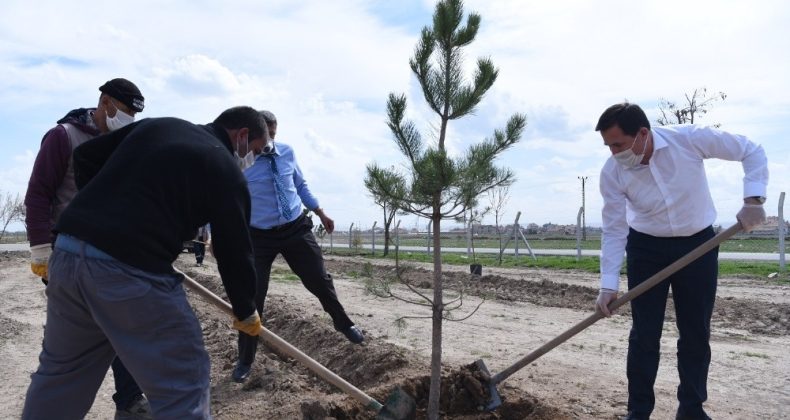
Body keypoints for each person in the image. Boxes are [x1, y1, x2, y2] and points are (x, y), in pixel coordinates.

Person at [22, 106, 267, 420]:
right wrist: (246, 310)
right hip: (128, 272)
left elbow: (85, 157)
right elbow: (235, 251)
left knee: (62, 376)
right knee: (184, 379)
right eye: (256, 151)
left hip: (69, 256)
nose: (252, 160)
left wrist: (101, 213)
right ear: (242, 135)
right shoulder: (225, 169)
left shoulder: (158, 127)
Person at [594, 103, 768, 420]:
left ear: (642, 134)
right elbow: (615, 228)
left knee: (695, 332)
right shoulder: (613, 172)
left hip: (698, 245)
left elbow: (751, 150)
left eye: (618, 144)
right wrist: (608, 284)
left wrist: (753, 199)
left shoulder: (689, 139)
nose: (614, 153)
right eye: (608, 146)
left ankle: (691, 409)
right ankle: (639, 411)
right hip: (646, 249)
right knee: (645, 334)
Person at [23, 78, 153, 419]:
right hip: (66, 254)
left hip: (110, 256)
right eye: (124, 111)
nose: (128, 120)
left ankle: (128, 402)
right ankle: (51, 406)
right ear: (105, 102)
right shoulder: (63, 136)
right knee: (69, 339)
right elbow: (38, 194)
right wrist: (40, 251)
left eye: (133, 115)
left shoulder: (121, 142)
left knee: (121, 329)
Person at [231, 110, 362, 383]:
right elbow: (227, 195)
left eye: (274, 135)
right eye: (265, 136)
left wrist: (320, 211)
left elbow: (300, 184)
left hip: (294, 228)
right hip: (258, 235)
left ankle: (343, 322)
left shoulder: (287, 152)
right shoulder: (239, 160)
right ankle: (245, 359)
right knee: (252, 298)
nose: (269, 141)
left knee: (319, 279)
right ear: (252, 135)